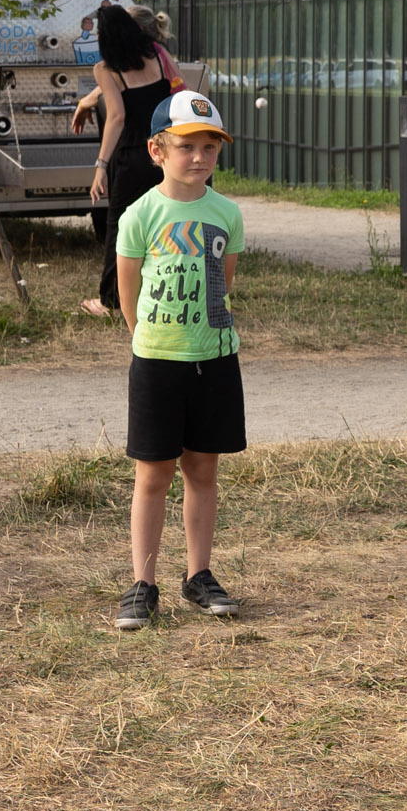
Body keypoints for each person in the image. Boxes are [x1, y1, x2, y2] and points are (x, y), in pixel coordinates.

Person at [112, 89, 245, 630]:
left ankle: (198, 575)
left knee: (202, 469)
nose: (199, 157)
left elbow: (224, 283)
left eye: (210, 146)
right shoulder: (139, 215)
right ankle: (143, 584)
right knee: (153, 475)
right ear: (156, 150)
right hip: (157, 362)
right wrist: (149, 342)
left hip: (213, 361)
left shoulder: (227, 214)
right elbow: (128, 294)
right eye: (186, 145)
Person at [83, 2, 175, 319]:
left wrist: (100, 166)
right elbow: (178, 91)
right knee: (162, 225)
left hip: (133, 156)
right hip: (165, 152)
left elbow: (117, 117)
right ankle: (163, 289)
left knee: (120, 226)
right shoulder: (158, 55)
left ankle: (110, 301)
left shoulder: (106, 69)